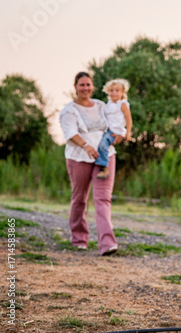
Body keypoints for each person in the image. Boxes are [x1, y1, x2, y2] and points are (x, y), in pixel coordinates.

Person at [59, 72, 121, 256]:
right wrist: (86, 146)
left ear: (92, 86)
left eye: (88, 84)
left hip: (105, 156)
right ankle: (79, 238)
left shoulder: (102, 106)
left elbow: (114, 124)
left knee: (103, 199)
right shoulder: (69, 110)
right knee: (79, 197)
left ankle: (107, 243)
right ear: (75, 86)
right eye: (81, 85)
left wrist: (116, 136)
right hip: (79, 157)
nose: (85, 88)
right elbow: (70, 133)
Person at [96, 78, 133, 179]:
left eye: (117, 90)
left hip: (116, 132)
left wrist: (128, 133)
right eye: (111, 90)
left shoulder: (123, 104)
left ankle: (104, 168)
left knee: (103, 145)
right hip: (107, 130)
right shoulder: (108, 104)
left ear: (122, 92)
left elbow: (128, 119)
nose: (114, 93)